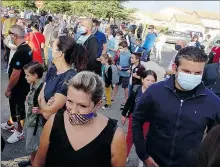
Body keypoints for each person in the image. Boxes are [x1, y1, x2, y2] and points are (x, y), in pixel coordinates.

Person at [132, 46, 220, 167]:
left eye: (198, 73)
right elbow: (137, 119)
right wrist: (143, 154)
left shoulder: (212, 102)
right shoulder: (155, 91)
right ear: (175, 68)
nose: (192, 76)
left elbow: (216, 138)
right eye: (187, 71)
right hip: (153, 161)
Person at [33, 71, 127, 167]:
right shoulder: (53, 122)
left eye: (82, 105)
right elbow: (38, 162)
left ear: (98, 104)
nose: (73, 111)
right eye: (69, 101)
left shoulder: (115, 135)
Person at [38, 36, 88, 120]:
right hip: (45, 125)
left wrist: (43, 103)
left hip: (59, 127)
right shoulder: (53, 70)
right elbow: (40, 96)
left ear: (59, 53)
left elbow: (47, 114)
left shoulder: (69, 78)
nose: (49, 49)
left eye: (52, 46)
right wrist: (45, 104)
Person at [2, 25, 33, 144]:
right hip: (23, 84)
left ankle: (19, 131)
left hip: (18, 86)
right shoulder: (26, 47)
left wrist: (8, 89)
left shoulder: (21, 51)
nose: (8, 36)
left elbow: (15, 74)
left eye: (9, 34)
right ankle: (11, 123)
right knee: (15, 107)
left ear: (14, 35)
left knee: (18, 108)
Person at [121, 70, 157, 163]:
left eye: (153, 81)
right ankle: (124, 156)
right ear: (142, 80)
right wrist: (124, 115)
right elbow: (129, 103)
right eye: (148, 80)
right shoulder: (136, 90)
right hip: (134, 118)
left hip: (147, 121)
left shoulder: (156, 94)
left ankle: (143, 160)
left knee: (144, 139)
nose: (150, 82)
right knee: (130, 137)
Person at [18, 62, 44, 167]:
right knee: (33, 144)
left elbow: (49, 105)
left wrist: (41, 110)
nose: (25, 77)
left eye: (27, 75)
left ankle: (35, 163)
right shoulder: (34, 84)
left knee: (35, 145)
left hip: (36, 123)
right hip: (31, 120)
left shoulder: (42, 88)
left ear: (35, 75)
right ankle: (32, 161)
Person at [112, 41, 131, 105]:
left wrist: (122, 68)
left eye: (120, 48)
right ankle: (113, 97)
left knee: (125, 87)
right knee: (116, 85)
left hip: (126, 74)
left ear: (125, 47)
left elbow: (130, 66)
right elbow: (117, 61)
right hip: (119, 73)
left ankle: (126, 100)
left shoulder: (129, 55)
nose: (119, 49)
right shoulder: (120, 53)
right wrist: (117, 65)